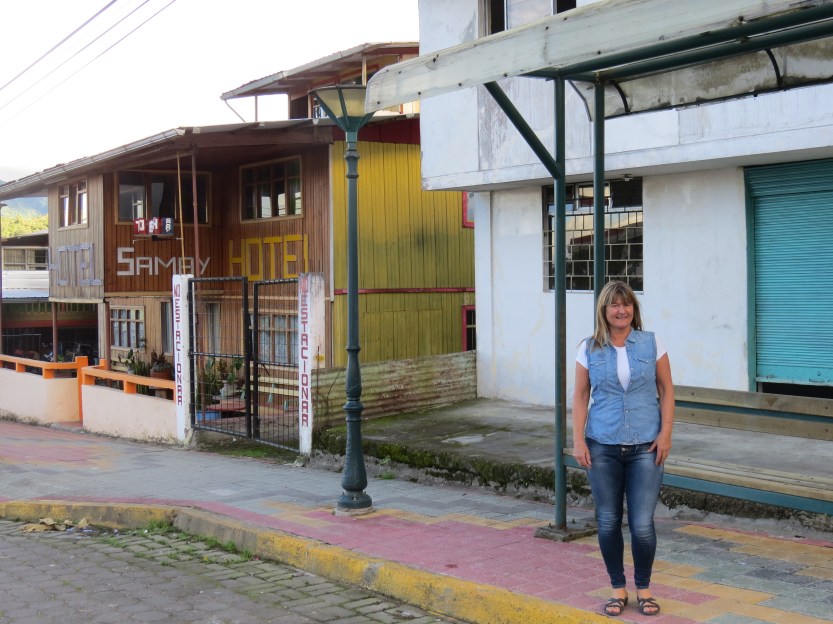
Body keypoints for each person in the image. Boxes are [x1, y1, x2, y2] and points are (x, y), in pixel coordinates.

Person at [572, 280, 674, 617]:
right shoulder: (588, 348)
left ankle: (643, 588)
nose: (621, 310)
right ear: (604, 310)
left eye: (627, 304)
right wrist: (578, 439)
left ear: (634, 309)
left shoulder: (651, 343)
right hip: (603, 446)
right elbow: (581, 396)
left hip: (646, 446)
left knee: (643, 524)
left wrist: (665, 435)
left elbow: (667, 390)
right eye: (614, 304)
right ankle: (618, 588)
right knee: (608, 521)